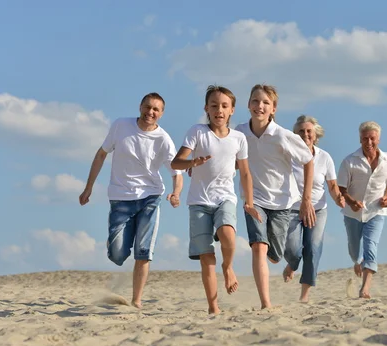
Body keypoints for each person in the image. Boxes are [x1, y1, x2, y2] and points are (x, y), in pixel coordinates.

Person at [79, 92, 183, 309]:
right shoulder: (121, 126)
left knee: (143, 251)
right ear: (140, 107)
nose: (150, 112)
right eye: (147, 107)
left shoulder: (163, 139)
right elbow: (101, 154)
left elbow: (176, 172)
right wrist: (88, 187)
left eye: (156, 109)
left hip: (150, 198)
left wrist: (176, 193)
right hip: (121, 198)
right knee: (117, 254)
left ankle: (136, 301)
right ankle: (114, 243)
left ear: (161, 114)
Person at [171, 85, 261, 315]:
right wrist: (193, 163)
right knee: (206, 256)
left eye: (224, 106)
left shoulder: (239, 138)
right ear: (206, 109)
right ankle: (213, 307)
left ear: (231, 110)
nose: (219, 110)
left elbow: (245, 173)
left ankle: (228, 266)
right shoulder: (197, 132)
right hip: (199, 201)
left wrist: (249, 202)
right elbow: (176, 163)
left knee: (228, 234)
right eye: (214, 106)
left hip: (225, 197)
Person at [235, 84, 316, 309]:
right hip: (254, 200)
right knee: (258, 247)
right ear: (248, 104)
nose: (259, 106)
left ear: (274, 109)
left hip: (282, 203)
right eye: (255, 101)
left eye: (265, 103)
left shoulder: (283, 136)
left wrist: (306, 199)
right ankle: (265, 303)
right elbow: (230, 158)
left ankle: (276, 256)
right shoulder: (239, 132)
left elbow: (308, 160)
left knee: (275, 254)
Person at [283, 115, 345, 302]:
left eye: (309, 131)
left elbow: (332, 186)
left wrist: (339, 199)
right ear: (295, 135)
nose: (305, 134)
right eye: (301, 131)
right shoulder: (287, 155)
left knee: (313, 249)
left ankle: (304, 295)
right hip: (292, 208)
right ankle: (292, 264)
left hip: (317, 209)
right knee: (292, 249)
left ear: (316, 134)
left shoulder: (324, 157)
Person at [337, 120, 387, 298]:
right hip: (353, 213)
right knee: (354, 248)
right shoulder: (350, 161)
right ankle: (357, 261)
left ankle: (365, 288)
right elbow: (341, 187)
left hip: (376, 211)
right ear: (360, 139)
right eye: (365, 139)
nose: (369, 142)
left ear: (378, 138)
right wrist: (350, 200)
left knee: (371, 245)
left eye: (372, 138)